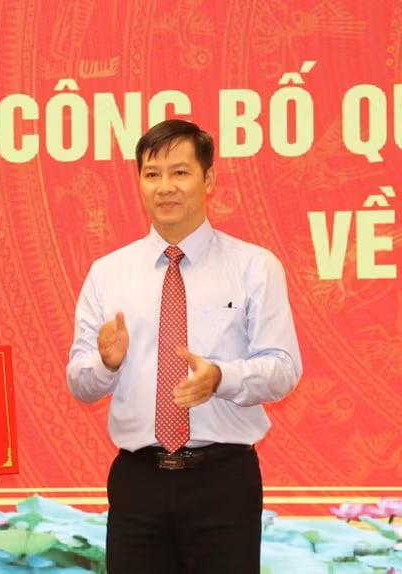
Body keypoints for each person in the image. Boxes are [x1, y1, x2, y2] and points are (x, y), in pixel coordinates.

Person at [66, 119, 302, 574]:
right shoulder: (108, 272)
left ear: (208, 179)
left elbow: (283, 367)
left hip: (223, 479)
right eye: (152, 174)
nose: (165, 187)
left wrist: (220, 377)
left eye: (180, 172)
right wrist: (106, 363)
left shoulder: (255, 266)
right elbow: (80, 382)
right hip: (138, 480)